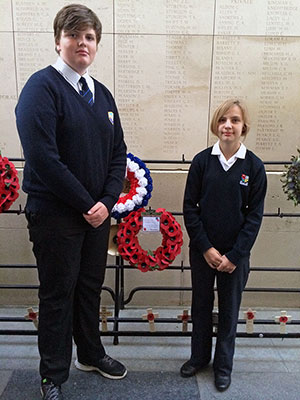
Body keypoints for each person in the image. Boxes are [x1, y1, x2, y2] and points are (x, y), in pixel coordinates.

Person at [15, 4, 127, 399]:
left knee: (89, 289)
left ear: (96, 45)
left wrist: (107, 201)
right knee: (58, 294)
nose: (83, 42)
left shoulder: (102, 94)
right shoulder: (40, 88)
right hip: (56, 216)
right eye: (74, 35)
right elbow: (43, 158)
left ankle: (91, 354)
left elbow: (118, 155)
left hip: (96, 216)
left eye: (90, 37)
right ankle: (53, 377)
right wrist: (87, 203)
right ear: (59, 40)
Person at [181, 99, 267, 391]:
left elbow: (254, 217)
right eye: (223, 120)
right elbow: (190, 209)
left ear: (244, 127)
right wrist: (205, 248)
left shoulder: (254, 167)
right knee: (201, 305)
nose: (228, 125)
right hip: (204, 252)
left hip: (235, 257)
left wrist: (235, 255)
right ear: (215, 125)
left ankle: (223, 366)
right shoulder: (202, 161)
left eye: (235, 120)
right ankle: (199, 357)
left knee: (229, 311)